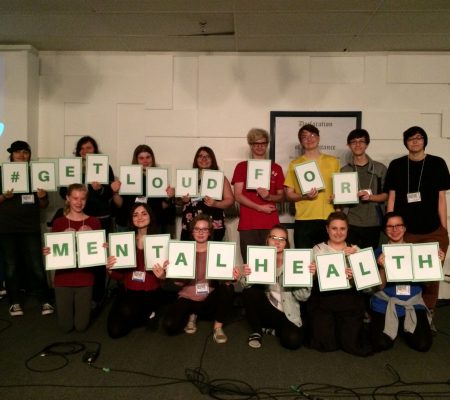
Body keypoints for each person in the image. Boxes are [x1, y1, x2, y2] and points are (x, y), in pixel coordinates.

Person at [384, 126, 450, 311]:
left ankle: (426, 316)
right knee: (407, 275)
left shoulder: (437, 163)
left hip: (433, 231)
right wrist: (390, 229)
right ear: (405, 142)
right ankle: (407, 313)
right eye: (411, 138)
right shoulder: (397, 165)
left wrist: (444, 231)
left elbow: (441, 199)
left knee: (430, 280)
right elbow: (392, 198)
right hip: (406, 232)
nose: (415, 141)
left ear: (424, 141)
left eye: (419, 137)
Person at [59, 136, 115, 309]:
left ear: (95, 150)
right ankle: (78, 296)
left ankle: (97, 297)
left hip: (100, 220)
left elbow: (109, 195)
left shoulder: (105, 167)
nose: (85, 151)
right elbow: (63, 193)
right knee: (77, 258)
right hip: (76, 220)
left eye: (88, 148)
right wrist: (71, 191)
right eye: (81, 148)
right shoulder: (71, 168)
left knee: (98, 259)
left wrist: (100, 189)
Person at [370, 212, 438, 352]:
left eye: (398, 225)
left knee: (423, 344)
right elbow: (379, 287)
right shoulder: (377, 253)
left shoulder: (418, 252)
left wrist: (436, 264)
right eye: (390, 226)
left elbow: (428, 285)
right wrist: (382, 268)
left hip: (412, 302)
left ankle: (403, 324)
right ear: (385, 230)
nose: (395, 230)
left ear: (405, 228)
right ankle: (390, 322)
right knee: (381, 343)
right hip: (386, 302)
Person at [161, 214, 235, 344]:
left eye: (205, 229)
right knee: (169, 326)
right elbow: (177, 283)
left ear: (210, 232)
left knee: (228, 288)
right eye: (197, 229)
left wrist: (232, 276)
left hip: (208, 298)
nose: (201, 232)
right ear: (192, 231)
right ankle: (192, 314)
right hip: (187, 297)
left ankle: (217, 327)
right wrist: (169, 272)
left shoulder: (218, 250)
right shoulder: (183, 251)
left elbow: (225, 280)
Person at [0, 140, 53, 317]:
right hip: (7, 227)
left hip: (30, 226)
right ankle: (14, 302)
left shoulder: (36, 173)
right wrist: (3, 196)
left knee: (36, 265)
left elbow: (44, 205)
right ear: (11, 155)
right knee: (11, 266)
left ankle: (44, 300)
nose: (22, 156)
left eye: (25, 152)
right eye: (18, 152)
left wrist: (43, 196)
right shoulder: (2, 172)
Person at [238, 224, 312, 350]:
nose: (277, 242)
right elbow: (245, 285)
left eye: (282, 239)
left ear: (286, 243)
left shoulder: (296, 261)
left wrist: (303, 277)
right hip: (266, 309)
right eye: (273, 238)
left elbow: (303, 297)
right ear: (267, 240)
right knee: (250, 291)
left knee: (293, 341)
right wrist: (245, 274)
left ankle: (271, 330)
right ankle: (257, 331)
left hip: (286, 312)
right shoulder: (260, 257)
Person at [307, 211, 371, 356]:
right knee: (326, 343)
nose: (338, 232)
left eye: (342, 228)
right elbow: (308, 281)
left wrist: (355, 274)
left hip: (348, 299)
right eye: (334, 228)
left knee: (350, 343)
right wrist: (314, 273)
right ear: (327, 229)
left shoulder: (355, 250)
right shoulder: (316, 250)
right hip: (323, 299)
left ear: (347, 230)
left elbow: (369, 288)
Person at [44, 184, 101, 332]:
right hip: (63, 278)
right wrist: (48, 251)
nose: (79, 202)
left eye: (82, 199)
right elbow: (55, 251)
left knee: (81, 326)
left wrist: (103, 248)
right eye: (75, 198)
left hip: (85, 278)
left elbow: (97, 252)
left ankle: (90, 304)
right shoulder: (58, 223)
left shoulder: (94, 222)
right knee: (66, 327)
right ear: (68, 199)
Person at [106, 203, 166, 338]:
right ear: (131, 219)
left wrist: (163, 276)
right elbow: (119, 276)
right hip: (128, 290)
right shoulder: (124, 241)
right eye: (135, 214)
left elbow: (167, 277)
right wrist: (110, 269)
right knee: (114, 331)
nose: (139, 217)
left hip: (149, 291)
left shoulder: (160, 241)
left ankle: (153, 309)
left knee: (127, 311)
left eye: (144, 213)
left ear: (151, 216)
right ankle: (147, 315)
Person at [232, 128, 285, 262]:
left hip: (270, 223)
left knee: (271, 263)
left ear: (267, 144)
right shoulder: (241, 167)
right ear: (250, 145)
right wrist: (259, 207)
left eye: (263, 143)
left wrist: (269, 197)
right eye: (256, 143)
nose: (260, 146)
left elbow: (282, 196)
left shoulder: (276, 168)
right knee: (250, 264)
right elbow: (237, 195)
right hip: (248, 224)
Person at [284, 124, 340, 249]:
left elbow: (340, 190)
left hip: (328, 218)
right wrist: (304, 196)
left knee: (327, 261)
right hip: (304, 219)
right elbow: (289, 194)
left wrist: (338, 200)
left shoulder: (333, 161)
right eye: (305, 137)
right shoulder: (295, 164)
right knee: (304, 262)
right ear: (301, 142)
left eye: (313, 135)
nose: (309, 139)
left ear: (319, 138)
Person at [111, 144, 175, 234]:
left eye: (148, 157)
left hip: (153, 224)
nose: (145, 161)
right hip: (128, 223)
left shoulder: (160, 176)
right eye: (141, 158)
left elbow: (162, 206)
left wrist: (169, 197)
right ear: (136, 160)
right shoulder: (127, 175)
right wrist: (115, 192)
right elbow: (120, 203)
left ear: (152, 158)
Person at [340, 129, 387, 249]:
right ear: (348, 145)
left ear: (367, 144)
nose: (358, 144)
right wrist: (336, 199)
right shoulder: (345, 170)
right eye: (354, 142)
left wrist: (371, 197)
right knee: (351, 259)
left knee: (372, 261)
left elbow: (386, 195)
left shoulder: (380, 168)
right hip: (351, 222)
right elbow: (341, 199)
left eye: (361, 141)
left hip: (374, 222)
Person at [179, 146, 234, 241]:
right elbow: (179, 200)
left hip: (213, 225)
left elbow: (230, 200)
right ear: (196, 159)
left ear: (212, 160)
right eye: (200, 156)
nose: (204, 159)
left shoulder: (220, 177)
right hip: (190, 224)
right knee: (190, 253)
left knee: (212, 254)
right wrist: (183, 200)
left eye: (207, 156)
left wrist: (216, 203)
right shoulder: (188, 176)